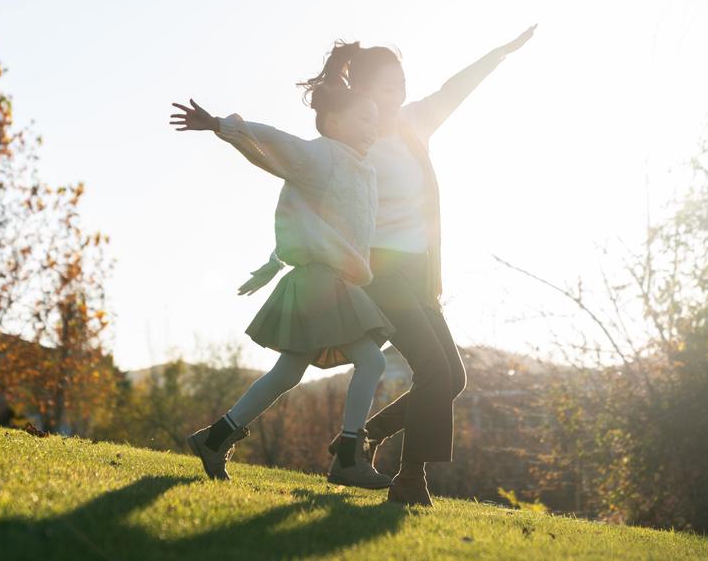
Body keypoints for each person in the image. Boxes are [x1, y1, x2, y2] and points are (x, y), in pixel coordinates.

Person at [241, 26, 537, 505]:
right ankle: (409, 481)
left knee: (453, 380)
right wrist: (276, 259)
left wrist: (498, 54)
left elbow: (453, 90)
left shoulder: (414, 123)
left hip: (420, 274)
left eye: (401, 84)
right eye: (387, 88)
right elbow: (307, 191)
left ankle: (359, 439)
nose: (398, 94)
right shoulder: (353, 141)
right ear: (363, 95)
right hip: (379, 271)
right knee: (433, 372)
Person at [168, 84, 395, 489]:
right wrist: (221, 125)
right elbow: (276, 143)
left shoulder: (363, 171)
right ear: (334, 122)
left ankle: (214, 438)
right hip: (322, 281)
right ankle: (346, 456)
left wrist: (273, 263)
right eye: (364, 118)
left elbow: (307, 222)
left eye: (376, 121)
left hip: (329, 279)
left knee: (287, 373)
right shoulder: (321, 155)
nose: (372, 128)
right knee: (373, 361)